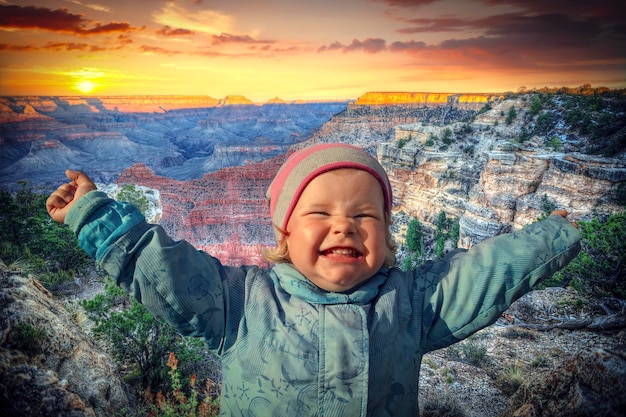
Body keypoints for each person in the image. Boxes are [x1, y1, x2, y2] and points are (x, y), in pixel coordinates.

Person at [46, 143, 581, 417]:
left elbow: (485, 271)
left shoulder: (414, 302)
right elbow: (158, 265)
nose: (344, 224)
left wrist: (551, 236)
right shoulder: (240, 301)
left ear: (388, 236)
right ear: (284, 231)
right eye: (319, 213)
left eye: (365, 216)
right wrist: (94, 215)